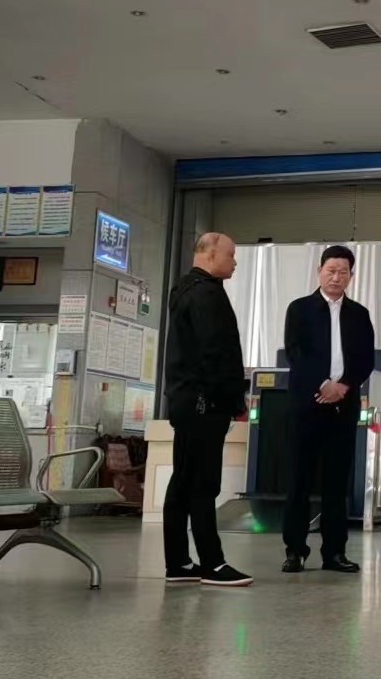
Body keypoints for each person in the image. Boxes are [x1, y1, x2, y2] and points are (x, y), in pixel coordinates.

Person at [163, 233, 252, 587]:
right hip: (204, 402)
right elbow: (216, 353)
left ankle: (178, 562)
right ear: (211, 254)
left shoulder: (184, 290)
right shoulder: (207, 294)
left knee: (183, 480)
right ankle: (212, 564)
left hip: (185, 401)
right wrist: (233, 400)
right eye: (231, 255)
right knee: (203, 483)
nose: (234, 261)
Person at [281, 246, 375, 574]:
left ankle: (334, 552)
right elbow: (295, 352)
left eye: (343, 272)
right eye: (331, 270)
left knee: (337, 482)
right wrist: (322, 384)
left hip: (343, 407)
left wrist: (343, 386)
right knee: (299, 480)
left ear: (351, 276)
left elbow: (366, 359)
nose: (336, 277)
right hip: (307, 405)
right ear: (319, 271)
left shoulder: (359, 314)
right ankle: (295, 550)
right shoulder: (300, 309)